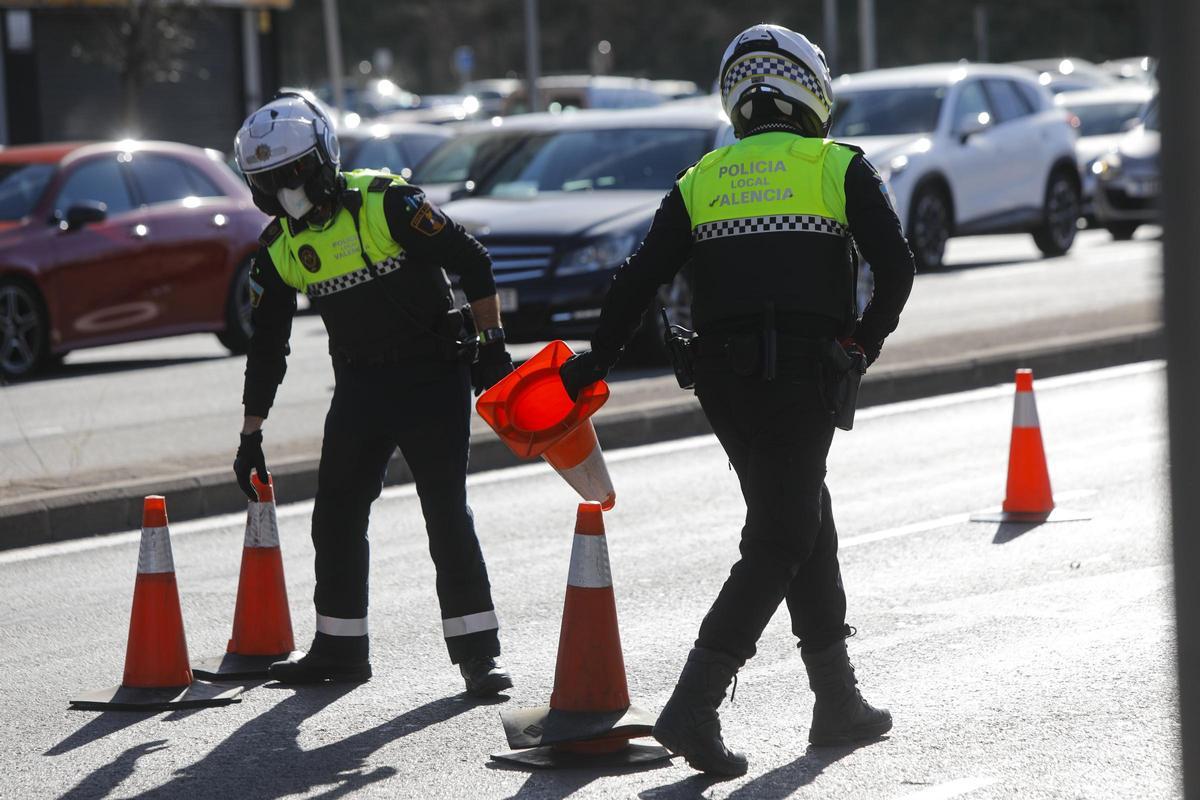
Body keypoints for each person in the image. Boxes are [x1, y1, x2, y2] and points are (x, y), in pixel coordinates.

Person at [560, 25, 915, 774]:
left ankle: (837, 700)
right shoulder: (838, 165)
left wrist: (597, 360)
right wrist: (862, 345)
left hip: (723, 387)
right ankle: (695, 705)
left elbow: (638, 277)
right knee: (783, 535)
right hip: (802, 378)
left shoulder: (702, 178)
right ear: (809, 92)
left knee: (804, 517)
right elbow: (897, 268)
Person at [231, 93, 515, 697]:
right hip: (360, 386)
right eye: (268, 182)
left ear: (324, 158)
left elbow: (472, 259)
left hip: (432, 376)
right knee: (334, 514)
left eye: (293, 173)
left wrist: (492, 348)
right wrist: (251, 434)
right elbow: (267, 346)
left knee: (445, 514)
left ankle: (478, 656)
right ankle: (339, 648)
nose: (285, 192)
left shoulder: (387, 202)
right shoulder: (279, 248)